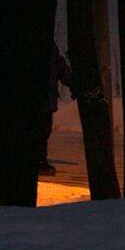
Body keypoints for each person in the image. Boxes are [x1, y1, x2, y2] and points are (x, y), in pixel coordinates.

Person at [40, 43, 76, 176]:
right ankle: (40, 161)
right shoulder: (51, 49)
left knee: (43, 131)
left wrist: (72, 82)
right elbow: (61, 69)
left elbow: (61, 69)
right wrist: (73, 83)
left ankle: (40, 160)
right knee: (43, 131)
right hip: (46, 99)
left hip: (45, 99)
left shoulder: (51, 49)